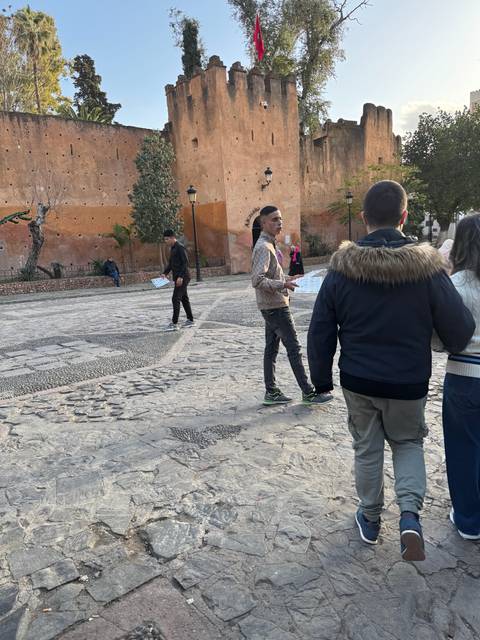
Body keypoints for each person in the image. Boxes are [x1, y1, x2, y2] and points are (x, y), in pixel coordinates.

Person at [307, 180, 474, 561]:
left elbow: (320, 329)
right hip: (408, 381)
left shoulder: (341, 268)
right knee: (408, 442)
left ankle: (369, 519)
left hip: (358, 379)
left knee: (366, 448)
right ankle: (410, 518)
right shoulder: (428, 268)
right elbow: (459, 329)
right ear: (404, 216)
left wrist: (321, 381)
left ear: (364, 218)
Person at [251, 204, 333, 406]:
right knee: (294, 348)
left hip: (271, 304)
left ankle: (271, 392)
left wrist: (289, 278)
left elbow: (271, 275)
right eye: (274, 219)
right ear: (263, 223)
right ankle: (308, 392)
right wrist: (283, 284)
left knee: (271, 349)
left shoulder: (269, 244)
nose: (279, 223)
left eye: (280, 219)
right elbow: (257, 280)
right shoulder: (263, 247)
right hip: (276, 306)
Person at [442, 214, 480, 540]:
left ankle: (468, 519)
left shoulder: (454, 286)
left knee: (463, 449)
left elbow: (437, 340)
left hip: (465, 374)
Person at [161, 229, 194, 331]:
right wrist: (165, 273)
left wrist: (180, 277)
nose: (165, 241)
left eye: (166, 239)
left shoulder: (180, 247)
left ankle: (174, 324)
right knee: (184, 298)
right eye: (165, 239)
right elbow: (171, 264)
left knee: (175, 298)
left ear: (172, 238)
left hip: (183, 277)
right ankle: (190, 320)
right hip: (179, 277)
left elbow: (185, 263)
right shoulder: (173, 248)